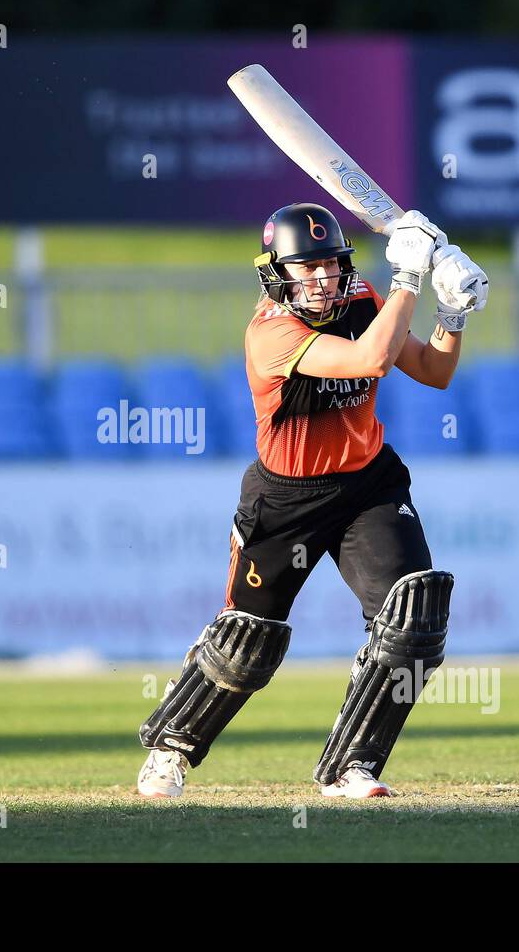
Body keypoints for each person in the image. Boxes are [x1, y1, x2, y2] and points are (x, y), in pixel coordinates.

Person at [136, 203, 488, 799]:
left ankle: (353, 766)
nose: (324, 279)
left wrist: (452, 311)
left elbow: (433, 370)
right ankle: (171, 750)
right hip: (285, 501)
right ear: (278, 273)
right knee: (248, 644)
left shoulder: (361, 300)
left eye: (331, 264)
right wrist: (410, 278)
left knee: (413, 622)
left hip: (366, 488)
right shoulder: (270, 332)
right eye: (307, 268)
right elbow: (369, 360)